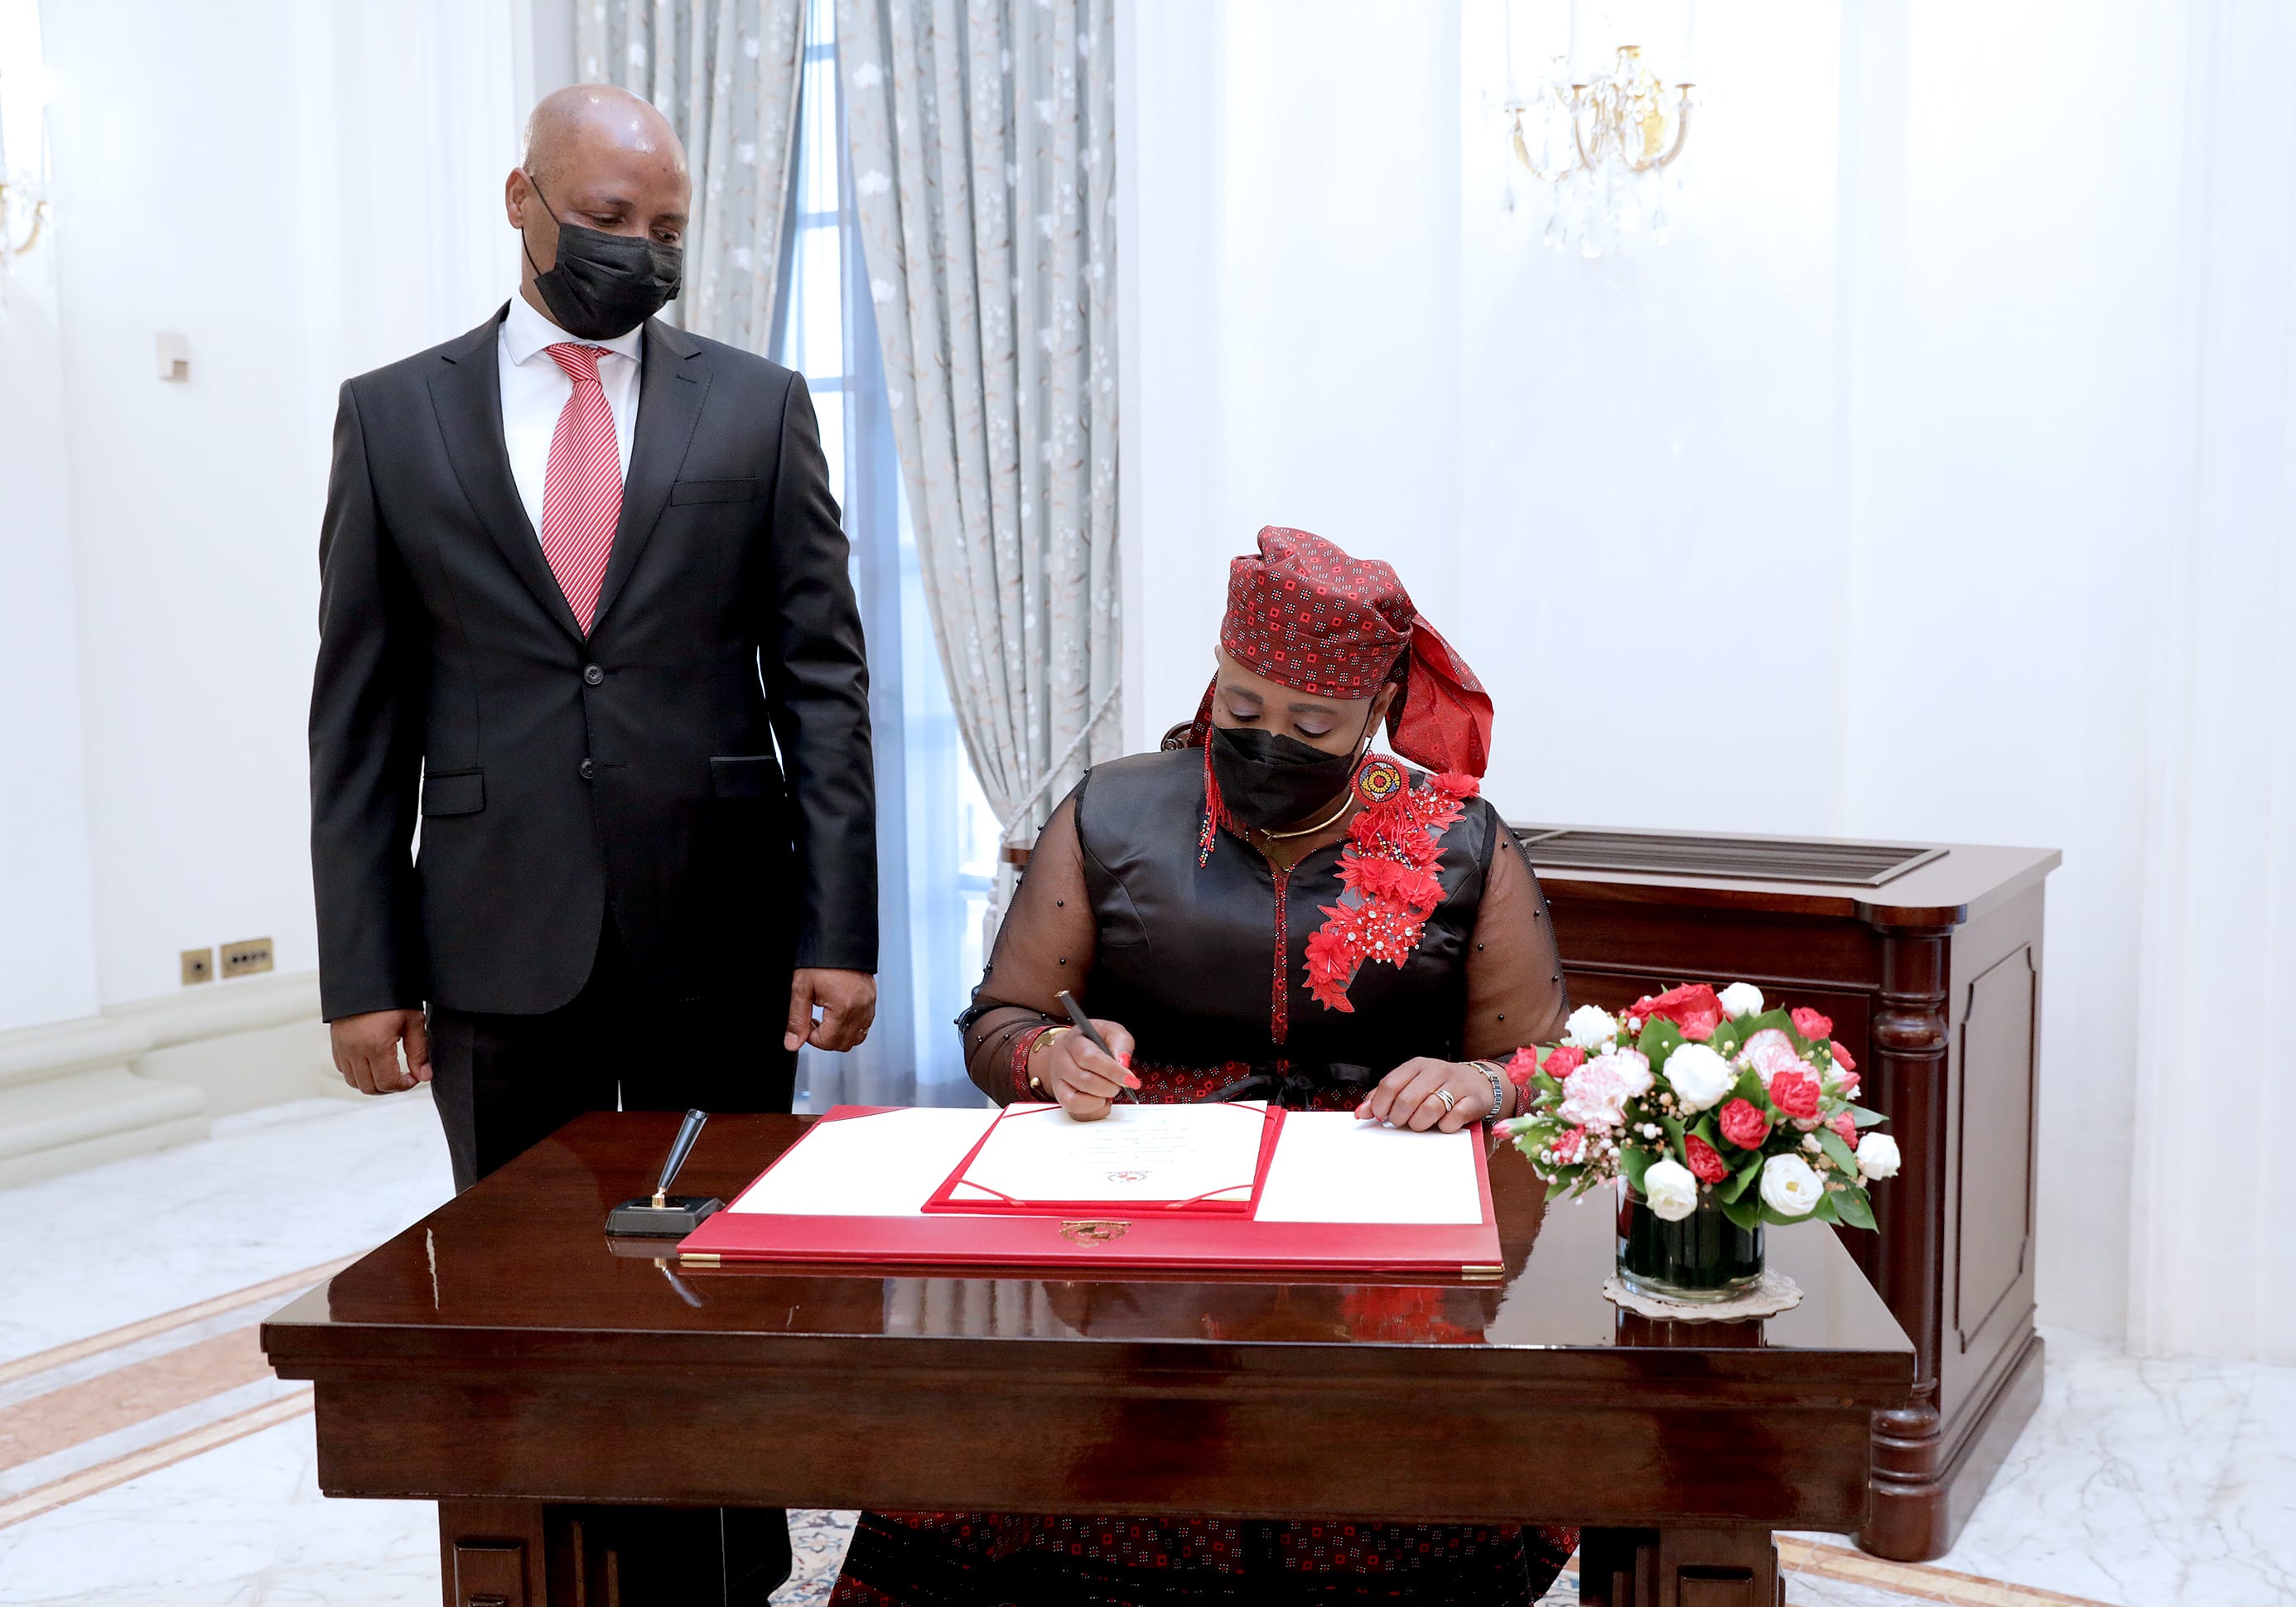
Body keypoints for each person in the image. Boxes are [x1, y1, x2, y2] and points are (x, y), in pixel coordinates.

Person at [307, 84, 878, 1602]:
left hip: (718, 925)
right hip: (492, 930)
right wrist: (363, 970)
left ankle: (725, 1562)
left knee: (725, 1267)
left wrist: (840, 930)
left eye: (669, 229)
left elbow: (821, 684)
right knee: (516, 1283)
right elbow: (355, 720)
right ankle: (542, 1555)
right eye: (611, 220)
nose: (640, 250)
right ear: (523, 199)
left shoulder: (754, 405)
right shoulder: (392, 414)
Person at [828, 527, 1577, 1606]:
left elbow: (1546, 1062)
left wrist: (1483, 1083)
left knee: (1384, 1454)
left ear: (1375, 716)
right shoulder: (1118, 809)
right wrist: (1054, 1053)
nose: (1272, 739)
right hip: (1144, 1189)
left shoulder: (1460, 842)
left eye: (1313, 725)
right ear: (1216, 679)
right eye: (1243, 710)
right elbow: (1002, 1022)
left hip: (1372, 1194)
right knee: (1059, 1435)